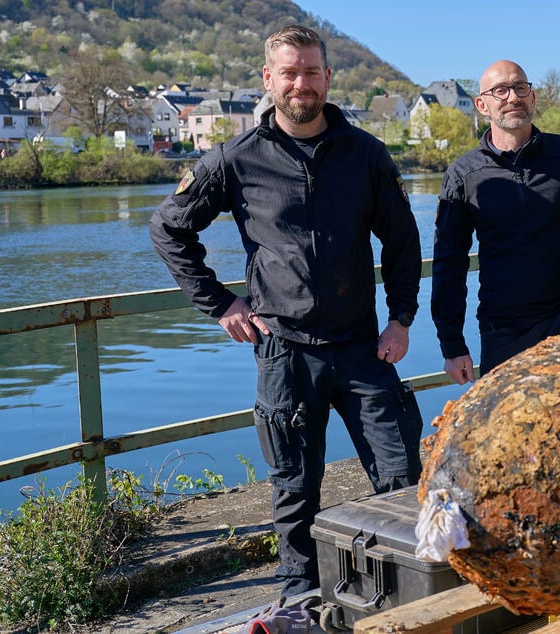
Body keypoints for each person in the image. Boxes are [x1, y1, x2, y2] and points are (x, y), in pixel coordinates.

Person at [149, 25, 423, 600]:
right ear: (269, 80)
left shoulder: (367, 155)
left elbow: (402, 240)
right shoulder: (233, 159)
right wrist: (220, 303)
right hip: (284, 350)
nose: (303, 83)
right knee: (295, 486)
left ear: (328, 77)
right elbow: (168, 228)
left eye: (313, 72)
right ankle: (298, 599)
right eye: (291, 73)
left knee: (401, 476)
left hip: (361, 349)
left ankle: (412, 592)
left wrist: (401, 319)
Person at [431, 60, 560, 383]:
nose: (512, 97)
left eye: (520, 87)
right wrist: (452, 345)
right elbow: (449, 266)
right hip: (504, 332)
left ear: (533, 97)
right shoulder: (463, 175)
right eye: (500, 90)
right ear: (482, 105)